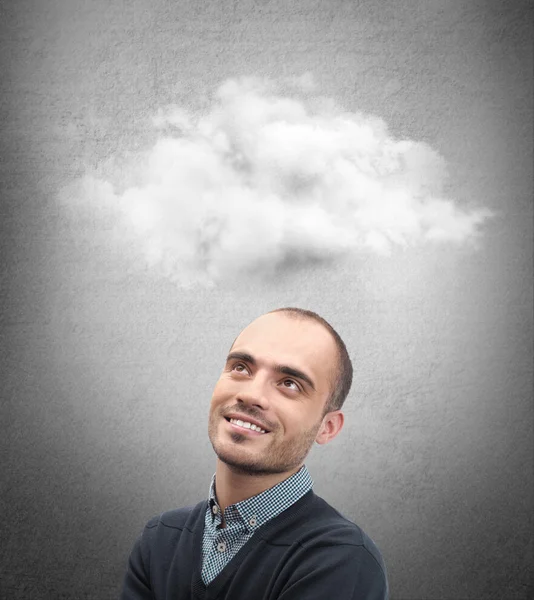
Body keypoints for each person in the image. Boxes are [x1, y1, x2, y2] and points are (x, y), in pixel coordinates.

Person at [120, 307, 388, 599]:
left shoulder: (341, 560)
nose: (251, 395)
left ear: (328, 427)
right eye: (241, 368)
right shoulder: (160, 537)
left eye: (289, 384)